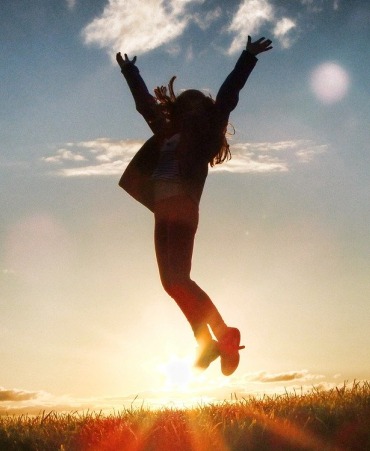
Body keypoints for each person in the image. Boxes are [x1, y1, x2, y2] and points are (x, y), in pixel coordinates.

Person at [116, 36, 273, 376]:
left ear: (202, 109)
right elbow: (146, 106)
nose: (188, 105)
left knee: (180, 278)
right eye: (184, 102)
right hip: (163, 208)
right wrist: (130, 72)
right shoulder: (165, 129)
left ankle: (217, 336)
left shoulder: (205, 132)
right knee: (171, 282)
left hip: (183, 206)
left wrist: (247, 57)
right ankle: (214, 341)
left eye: (194, 102)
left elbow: (228, 97)